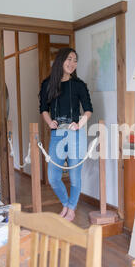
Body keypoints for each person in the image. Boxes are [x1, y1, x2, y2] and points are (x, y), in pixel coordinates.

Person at [39, 47, 93, 222]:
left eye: (75, 60)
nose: (72, 63)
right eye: (69, 59)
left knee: (74, 177)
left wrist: (79, 124)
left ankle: (71, 209)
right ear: (61, 60)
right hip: (57, 134)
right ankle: (67, 204)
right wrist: (49, 123)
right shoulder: (47, 84)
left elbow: (88, 110)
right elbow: (43, 109)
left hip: (75, 134)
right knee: (53, 177)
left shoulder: (79, 85)